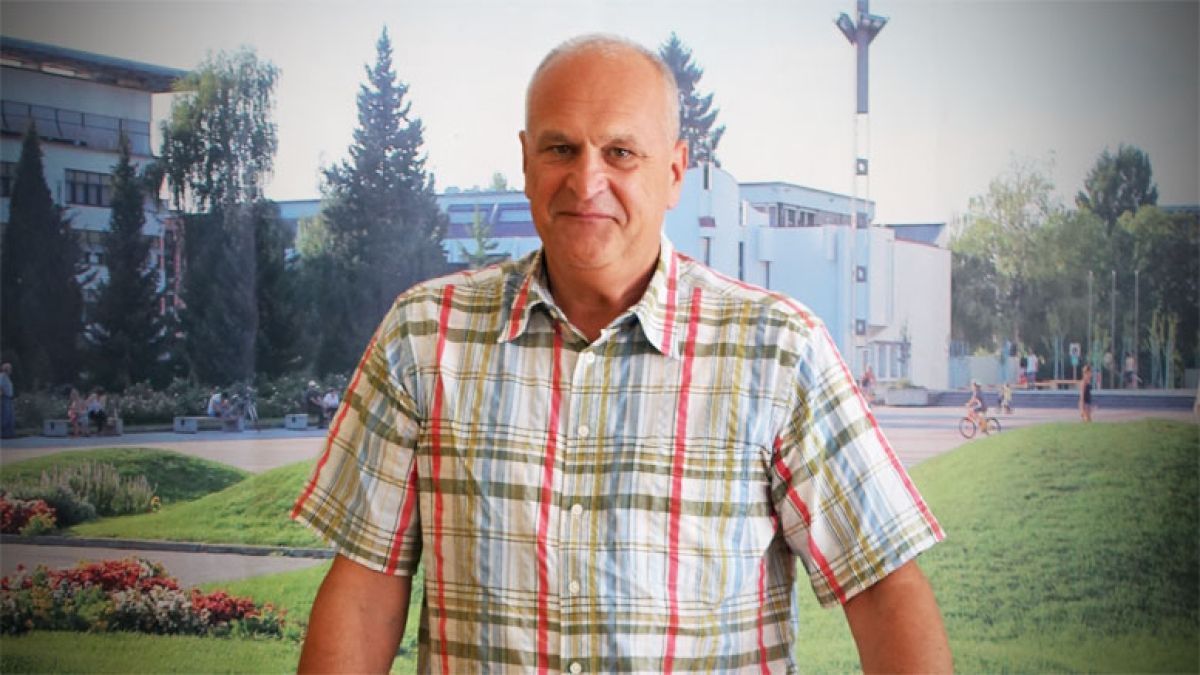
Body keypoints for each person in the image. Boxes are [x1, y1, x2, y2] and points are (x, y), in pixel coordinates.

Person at [293, 35, 950, 674]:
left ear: (674, 172)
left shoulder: (779, 350)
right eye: (561, 148)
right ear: (526, 162)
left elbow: (883, 590)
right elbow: (363, 594)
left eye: (620, 152)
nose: (587, 181)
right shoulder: (424, 336)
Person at [0, 363, 14, 439]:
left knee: (10, 417)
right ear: (6, 369)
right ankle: (4, 434)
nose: (11, 370)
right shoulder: (2, 376)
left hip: (9, 398)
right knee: (5, 416)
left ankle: (9, 434)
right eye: (9, 368)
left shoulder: (7, 377)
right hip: (4, 398)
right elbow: (0, 386)